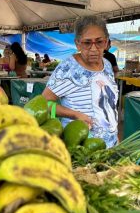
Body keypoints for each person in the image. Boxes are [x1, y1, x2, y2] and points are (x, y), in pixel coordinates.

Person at [42, 16, 119, 148]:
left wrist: (115, 135)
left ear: (106, 42)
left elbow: (109, 105)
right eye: (87, 43)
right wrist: (75, 114)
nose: (94, 48)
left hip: (110, 146)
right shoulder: (68, 68)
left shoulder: (106, 65)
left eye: (99, 42)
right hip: (82, 150)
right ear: (78, 43)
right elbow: (43, 103)